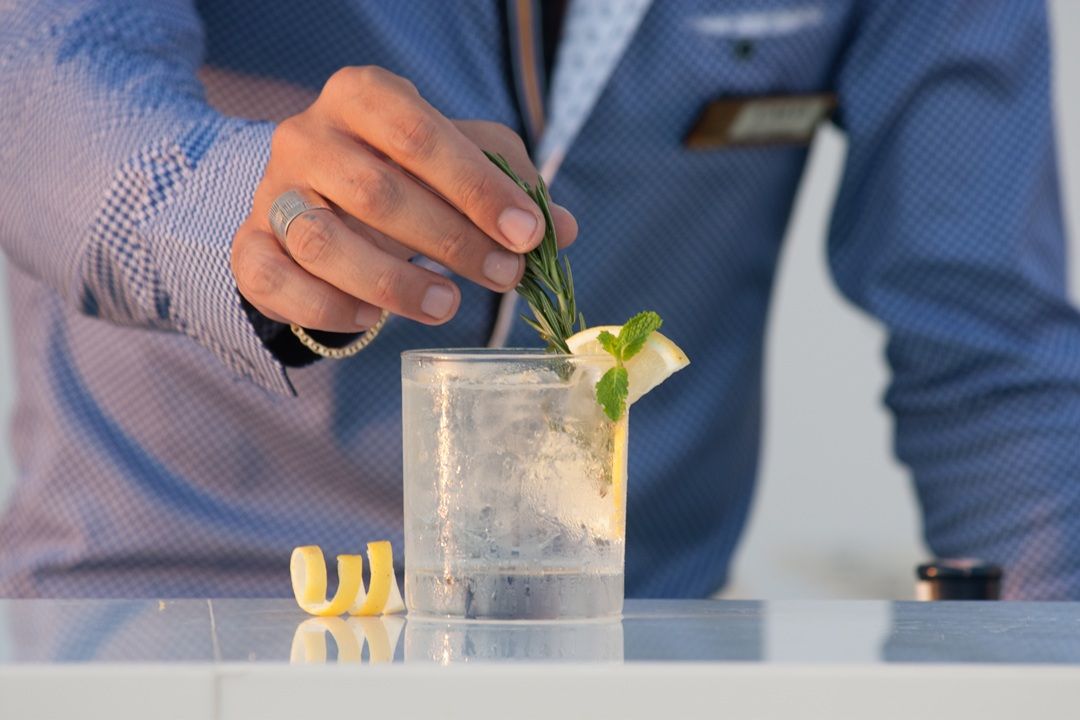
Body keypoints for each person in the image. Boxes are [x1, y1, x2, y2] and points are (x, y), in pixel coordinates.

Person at [0, 0, 1076, 600]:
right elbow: (42, 86)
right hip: (167, 606)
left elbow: (990, 362)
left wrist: (1041, 666)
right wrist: (243, 214)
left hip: (623, 637)